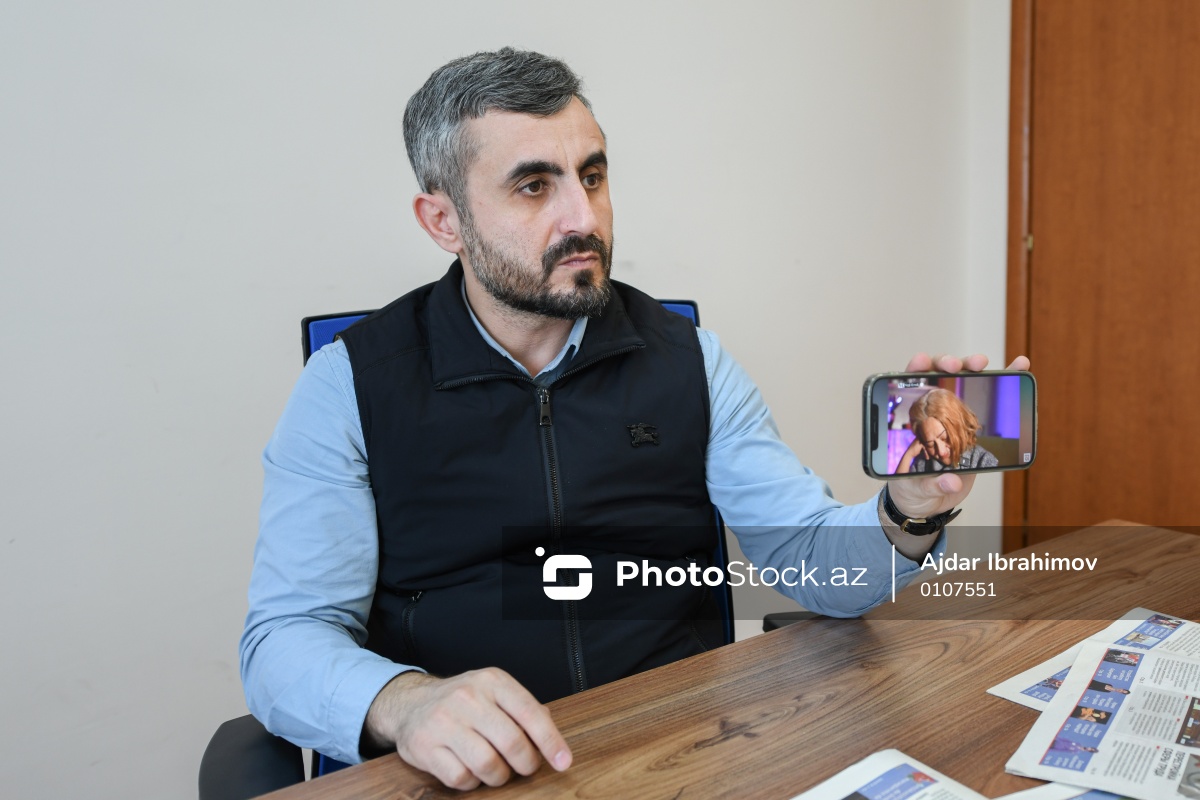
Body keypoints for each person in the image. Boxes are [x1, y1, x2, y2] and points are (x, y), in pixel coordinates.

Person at [239, 47, 1027, 791]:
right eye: (534, 186)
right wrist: (405, 703)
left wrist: (908, 512)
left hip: (680, 757)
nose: (583, 217)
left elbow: (811, 564)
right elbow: (283, 640)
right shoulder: (350, 384)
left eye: (592, 175)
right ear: (443, 221)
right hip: (468, 777)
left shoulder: (689, 360)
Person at [896, 388, 999, 473]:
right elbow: (898, 491)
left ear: (959, 427)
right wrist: (908, 455)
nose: (941, 452)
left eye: (945, 438)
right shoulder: (923, 463)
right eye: (930, 444)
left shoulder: (983, 461)